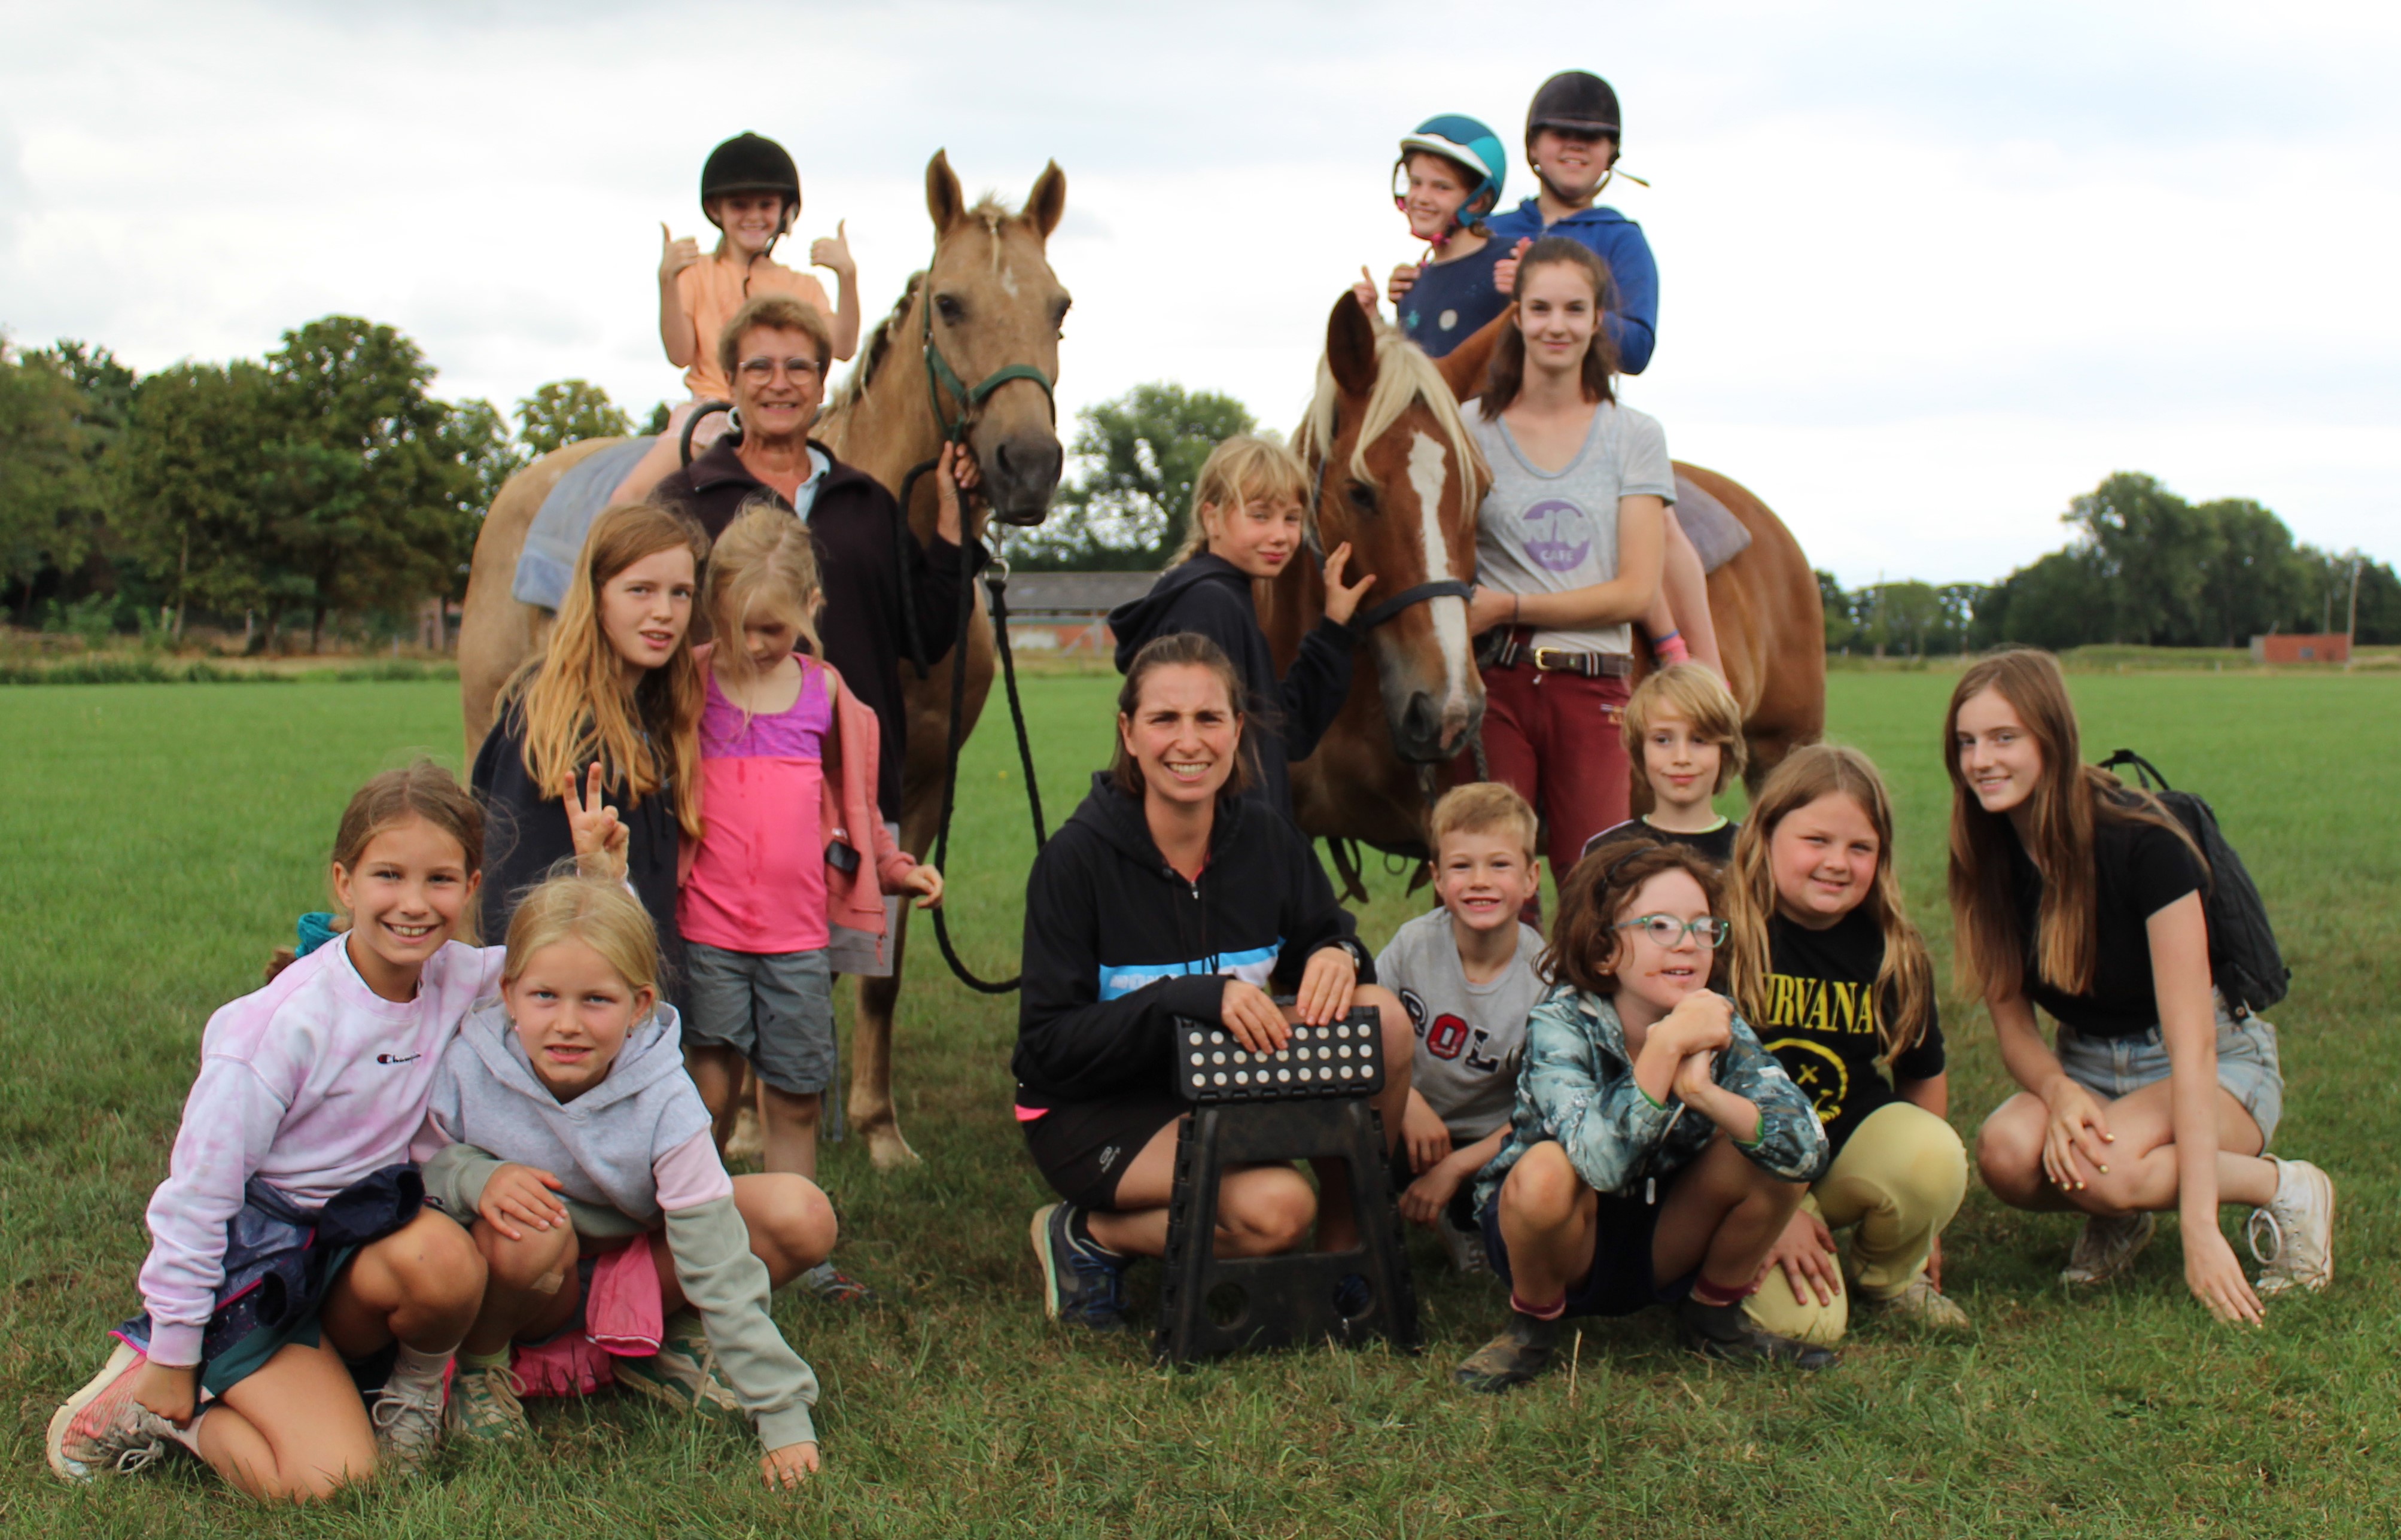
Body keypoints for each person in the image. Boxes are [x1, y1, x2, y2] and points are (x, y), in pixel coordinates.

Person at [45, 762, 614, 1497]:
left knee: (445, 1258)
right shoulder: (277, 1028)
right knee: (332, 1482)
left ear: (472, 888)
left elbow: (562, 967)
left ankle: (409, 1397)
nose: (414, 904)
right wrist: (177, 1353)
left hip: (353, 1254)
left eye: (440, 880)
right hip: (259, 1274)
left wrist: (600, 882)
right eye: (388, 876)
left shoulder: (454, 977)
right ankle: (160, 1412)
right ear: (344, 883)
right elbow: (197, 1198)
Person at [1015, 632, 1414, 1332]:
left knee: (1379, 1016)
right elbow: (1046, 1048)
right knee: (1275, 1212)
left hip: (1221, 1088)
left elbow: (1328, 934)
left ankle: (1348, 1254)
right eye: (1163, 719)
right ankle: (1087, 1234)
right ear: (1127, 733)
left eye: (1209, 719)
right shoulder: (1074, 861)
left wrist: (1337, 954)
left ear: (1237, 730)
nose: (1187, 741)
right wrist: (1187, 997)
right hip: (1099, 1110)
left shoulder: (1265, 838)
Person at [1947, 648, 2333, 1320]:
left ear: (2052, 738)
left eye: (2003, 738)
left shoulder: (2142, 841)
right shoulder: (1986, 856)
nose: (1981, 760)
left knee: (2106, 1171)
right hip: (2089, 1065)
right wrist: (2060, 1092)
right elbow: (2013, 1027)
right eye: (1966, 742)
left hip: (2212, 1065)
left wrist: (2199, 1229)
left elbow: (2193, 1046)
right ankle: (2121, 1213)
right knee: (2006, 1154)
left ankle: (2285, 1187)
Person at [419, 868, 833, 1489]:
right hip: (528, 1279)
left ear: (640, 1006)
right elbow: (414, 1169)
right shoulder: (467, 1066)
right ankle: (483, 1369)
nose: (567, 1023)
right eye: (544, 997)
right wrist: (474, 1178)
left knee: (801, 1213)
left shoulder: (666, 1096)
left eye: (596, 1000)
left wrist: (781, 1412)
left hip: (637, 1269)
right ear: (509, 996)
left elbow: (716, 1257)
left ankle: (657, 1343)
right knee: (532, 1226)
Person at [677, 503, 944, 1301]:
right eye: (742, 626)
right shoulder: (690, 683)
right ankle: (698, 1236)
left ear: (812, 610)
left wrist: (894, 868)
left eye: (776, 628)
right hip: (708, 931)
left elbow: (853, 804)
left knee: (794, 1091)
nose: (758, 645)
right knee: (711, 1090)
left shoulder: (827, 696)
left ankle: (797, 1251)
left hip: (797, 939)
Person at [1454, 838, 1831, 1392]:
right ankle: (1531, 1327)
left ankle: (1714, 1319)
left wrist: (1705, 1094)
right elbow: (1600, 1165)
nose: (1686, 945)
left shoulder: (1715, 1021)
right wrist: (1661, 1054)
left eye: (1702, 927)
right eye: (1658, 926)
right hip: (1563, 1239)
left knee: (1765, 1144)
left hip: (1665, 1234)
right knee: (1543, 1171)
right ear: (1605, 948)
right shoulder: (1560, 1024)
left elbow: (1808, 1150)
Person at [653, 291, 973, 887]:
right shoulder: (683, 501)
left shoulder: (867, 504)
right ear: (730, 382)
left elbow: (924, 635)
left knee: (811, 979)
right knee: (714, 974)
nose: (780, 384)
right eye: (759, 367)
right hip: (714, 809)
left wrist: (956, 524)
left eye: (799, 367)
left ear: (823, 385)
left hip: (847, 807)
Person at [1724, 745, 1970, 1344]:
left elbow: (1922, 1073)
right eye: (1815, 841)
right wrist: (1774, 1213)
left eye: (1859, 848)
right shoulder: (1721, 932)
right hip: (1737, 1173)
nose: (1837, 863)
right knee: (1808, 1327)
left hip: (1838, 1154)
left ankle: (1887, 1277)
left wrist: (1924, 1218)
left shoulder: (1891, 950)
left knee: (1932, 1153)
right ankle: (1728, 1256)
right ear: (1764, 832)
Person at [1487, 70, 1720, 677]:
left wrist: (1563, 304)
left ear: (1610, 156)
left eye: (1590, 139)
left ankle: (1701, 668)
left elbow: (1637, 346)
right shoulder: (1490, 231)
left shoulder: (1619, 239)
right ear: (1532, 147)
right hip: (1489, 419)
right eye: (1560, 134)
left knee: (1662, 523)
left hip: (1585, 422)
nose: (1574, 147)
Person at [1459, 237, 1669, 880]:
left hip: (1594, 683)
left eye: (1574, 310)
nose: (1557, 326)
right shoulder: (1469, 428)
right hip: (1496, 684)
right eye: (1541, 308)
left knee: (1596, 889)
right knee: (1492, 885)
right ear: (1516, 316)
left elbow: (1634, 591)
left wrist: (1510, 605)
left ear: (1597, 319)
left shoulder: (1633, 435)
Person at [474, 501, 710, 991]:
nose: (663, 612)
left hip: (639, 997)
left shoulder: (656, 713)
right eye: (640, 591)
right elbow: (511, 898)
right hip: (569, 1010)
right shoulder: (551, 726)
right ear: (596, 596)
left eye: (680, 593)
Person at [1104, 434, 1374, 822]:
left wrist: (1332, 627)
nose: (1280, 535)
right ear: (1211, 518)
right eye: (1260, 515)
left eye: (1292, 518)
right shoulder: (1210, 605)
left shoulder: (1227, 596)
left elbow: (1280, 732)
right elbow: (1202, 758)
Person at [610, 132, 862, 506]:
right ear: (717, 211)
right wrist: (667, 281)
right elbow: (680, 354)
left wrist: (847, 277)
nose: (754, 217)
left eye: (765, 205)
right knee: (629, 497)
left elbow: (841, 348)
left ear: (784, 211)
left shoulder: (803, 286)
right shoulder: (697, 275)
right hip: (710, 417)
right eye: (740, 206)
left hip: (788, 414)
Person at [1376, 782, 1547, 1274]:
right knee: (1351, 1130)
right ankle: (1370, 1215)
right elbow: (1365, 1029)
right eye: (1460, 866)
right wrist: (1408, 1104)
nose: (1479, 881)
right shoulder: (1413, 946)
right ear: (1435, 876)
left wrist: (1454, 1167)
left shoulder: (1543, 980)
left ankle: (1466, 1216)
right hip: (1406, 1122)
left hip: (1491, 1143)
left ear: (1531, 877)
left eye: (1498, 865)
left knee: (1526, 1185)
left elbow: (1543, 1110)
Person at [1353, 115, 1514, 358]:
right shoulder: (1413, 285)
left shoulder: (1511, 262)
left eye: (1441, 187)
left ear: (1478, 200)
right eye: (1416, 183)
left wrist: (1531, 290)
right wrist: (1373, 319)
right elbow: (1409, 374)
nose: (1422, 197)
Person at [1580, 662, 1748, 867]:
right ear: (1640, 750)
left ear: (1726, 752)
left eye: (1700, 740)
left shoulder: (1750, 851)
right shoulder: (1606, 853)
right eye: (1662, 740)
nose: (1682, 758)